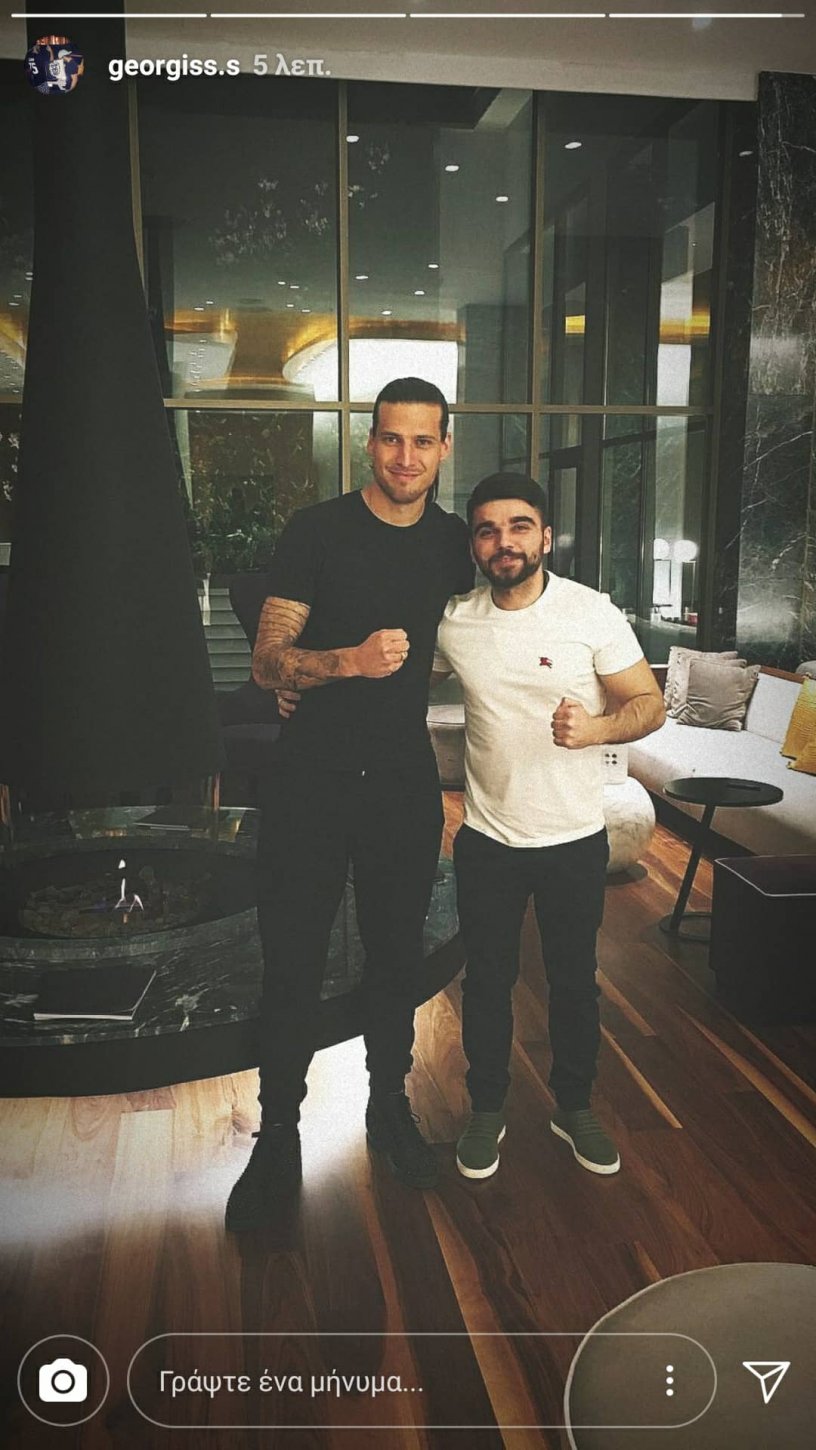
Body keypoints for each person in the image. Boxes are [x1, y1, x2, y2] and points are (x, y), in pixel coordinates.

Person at [225, 378, 473, 1232]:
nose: (405, 457)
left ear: (444, 448)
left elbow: (497, 614)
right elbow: (268, 661)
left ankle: (388, 1105)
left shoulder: (453, 544)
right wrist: (346, 663)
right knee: (291, 957)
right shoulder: (318, 530)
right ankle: (278, 1134)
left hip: (402, 779)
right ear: (369, 442)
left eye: (422, 441)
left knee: (395, 956)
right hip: (310, 779)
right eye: (391, 439)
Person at [432, 473, 665, 1182]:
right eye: (487, 529)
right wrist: (305, 688)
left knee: (574, 982)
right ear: (474, 544)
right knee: (486, 983)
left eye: (519, 526)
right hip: (488, 840)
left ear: (545, 537)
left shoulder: (590, 612)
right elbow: (396, 681)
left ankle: (574, 1106)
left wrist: (596, 728)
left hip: (573, 840)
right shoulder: (455, 622)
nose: (503, 542)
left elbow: (649, 702)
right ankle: (486, 1109)